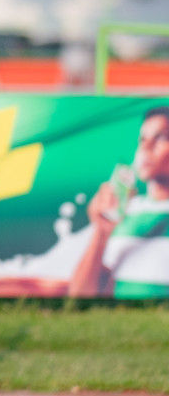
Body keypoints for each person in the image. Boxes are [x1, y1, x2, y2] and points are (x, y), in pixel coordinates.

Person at [68, 106, 169, 299]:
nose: (146, 148)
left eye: (161, 137)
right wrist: (101, 231)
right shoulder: (124, 213)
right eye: (142, 140)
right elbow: (80, 297)